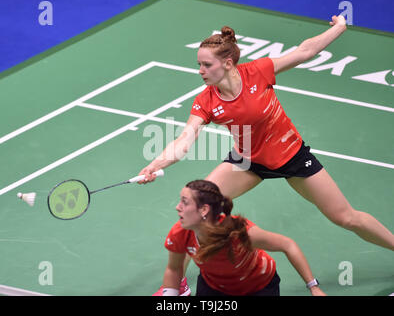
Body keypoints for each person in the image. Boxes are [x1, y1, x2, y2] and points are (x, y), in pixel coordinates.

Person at [141, 15, 394, 292]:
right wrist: (155, 164)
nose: (200, 70)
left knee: (346, 217)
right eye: (199, 64)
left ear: (227, 64)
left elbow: (304, 51)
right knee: (197, 207)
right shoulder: (207, 100)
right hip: (247, 160)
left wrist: (340, 27)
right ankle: (179, 284)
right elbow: (185, 140)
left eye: (206, 64)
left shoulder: (257, 72)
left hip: (291, 156)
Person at [156, 179, 326, 296]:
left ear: (204, 210)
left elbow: (288, 245)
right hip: (214, 287)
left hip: (258, 288)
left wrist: (314, 287)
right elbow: (174, 269)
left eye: (185, 202)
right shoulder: (180, 232)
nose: (178, 208)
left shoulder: (241, 233)